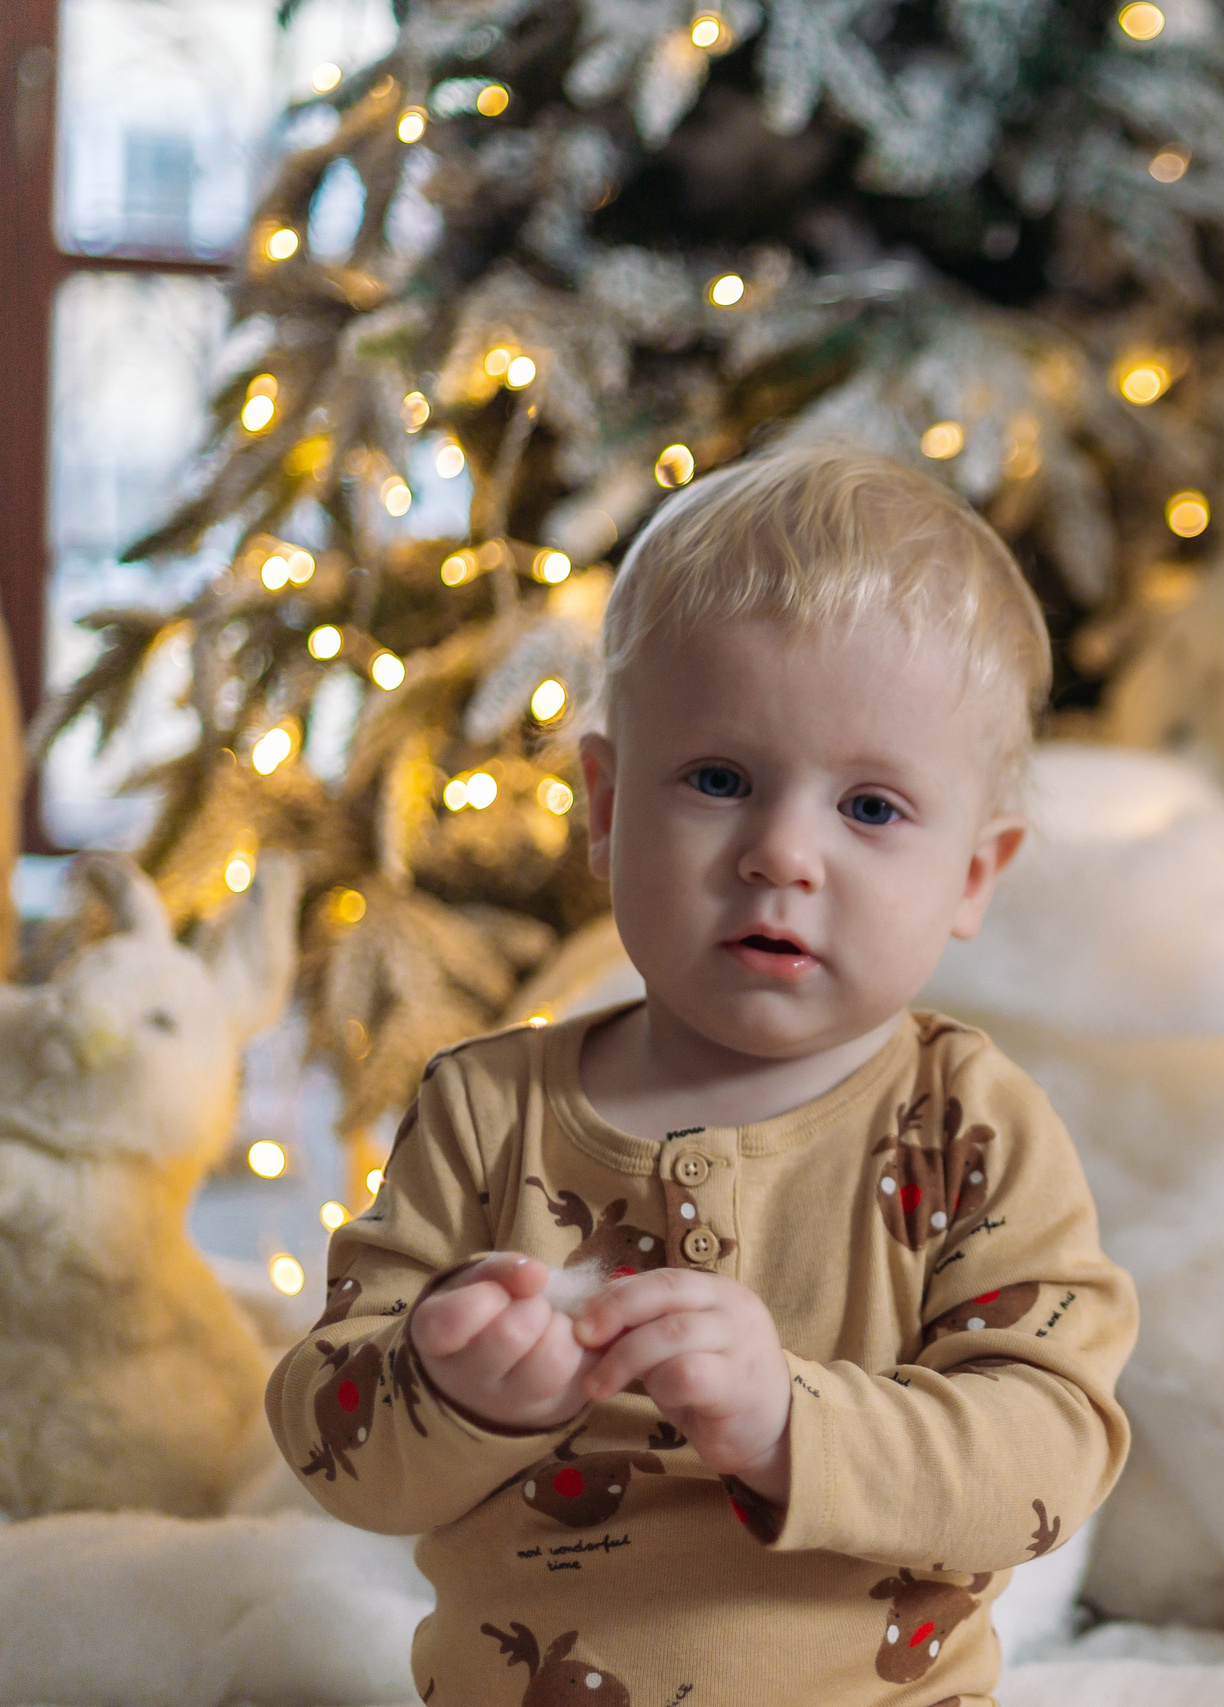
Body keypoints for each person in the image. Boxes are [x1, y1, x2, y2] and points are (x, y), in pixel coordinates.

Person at [266, 440, 1136, 1704]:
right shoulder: (485, 1113)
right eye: (720, 780)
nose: (782, 854)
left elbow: (1049, 1459)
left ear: (974, 875)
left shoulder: (971, 1132)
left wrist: (794, 1424)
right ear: (608, 807)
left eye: (872, 809)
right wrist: (454, 1391)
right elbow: (333, 1451)